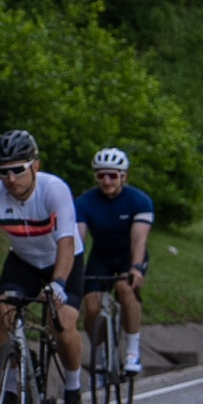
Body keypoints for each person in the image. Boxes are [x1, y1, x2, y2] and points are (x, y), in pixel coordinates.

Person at [0, 130, 85, 404]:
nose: (11, 178)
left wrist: (58, 283)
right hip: (24, 260)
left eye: (18, 170)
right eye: (3, 172)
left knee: (63, 323)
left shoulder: (54, 190)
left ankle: (72, 388)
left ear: (35, 166)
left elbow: (66, 241)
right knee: (4, 310)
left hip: (63, 259)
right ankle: (13, 387)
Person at [76, 148, 154, 374]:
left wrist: (136, 268)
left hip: (129, 255)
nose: (106, 181)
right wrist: (73, 268)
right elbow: (78, 239)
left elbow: (139, 239)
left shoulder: (139, 200)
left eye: (112, 175)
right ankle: (100, 352)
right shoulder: (84, 202)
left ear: (123, 177)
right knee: (91, 305)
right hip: (101, 255)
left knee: (124, 287)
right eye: (101, 176)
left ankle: (132, 352)